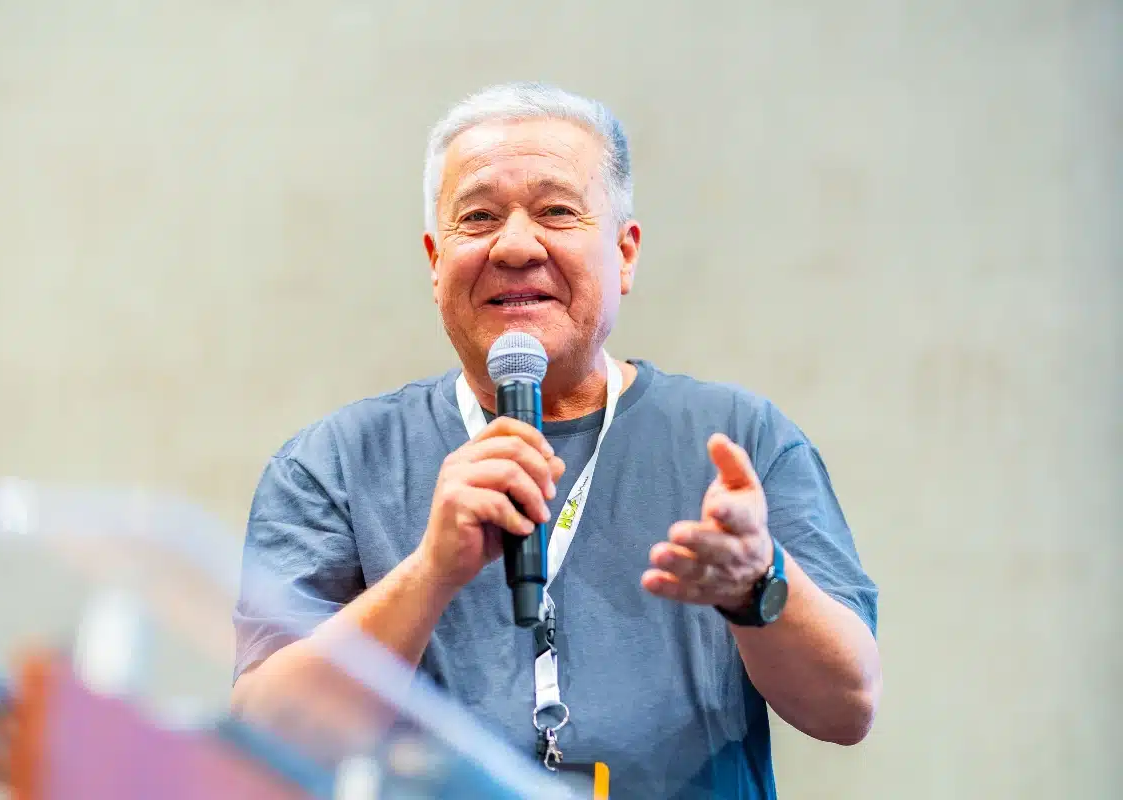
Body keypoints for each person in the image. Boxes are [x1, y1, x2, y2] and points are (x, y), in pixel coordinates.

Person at [231, 82, 881, 799]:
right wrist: (430, 573)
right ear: (435, 261)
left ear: (625, 254)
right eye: (478, 217)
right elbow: (267, 737)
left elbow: (847, 708)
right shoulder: (332, 465)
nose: (515, 246)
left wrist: (757, 584)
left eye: (556, 212)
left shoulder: (738, 444)